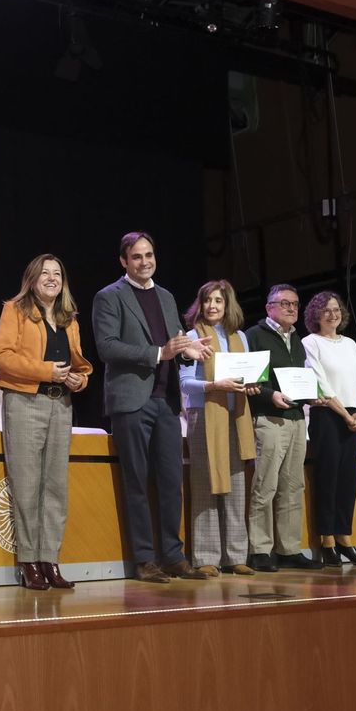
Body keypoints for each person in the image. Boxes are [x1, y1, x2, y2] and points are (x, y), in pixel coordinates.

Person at [91, 232, 211, 584]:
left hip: (167, 401)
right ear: (124, 261)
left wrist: (187, 351)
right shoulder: (109, 296)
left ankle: (173, 556)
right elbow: (107, 347)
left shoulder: (167, 296)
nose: (145, 262)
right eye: (137, 257)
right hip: (132, 401)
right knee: (138, 482)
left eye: (149, 255)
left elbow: (175, 341)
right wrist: (160, 353)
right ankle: (144, 559)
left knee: (172, 481)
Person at [0, 255, 93, 591]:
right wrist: (46, 371)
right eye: (45, 273)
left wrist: (80, 379)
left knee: (55, 487)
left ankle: (50, 559)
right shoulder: (16, 310)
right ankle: (29, 562)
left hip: (60, 405)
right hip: (25, 402)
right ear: (32, 279)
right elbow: (2, 356)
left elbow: (79, 363)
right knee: (27, 484)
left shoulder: (69, 317)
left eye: (57, 274)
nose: (52, 279)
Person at [179, 280, 259, 577]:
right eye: (207, 300)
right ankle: (206, 555)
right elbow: (185, 383)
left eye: (218, 301)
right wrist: (214, 385)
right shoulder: (192, 337)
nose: (212, 306)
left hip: (236, 416)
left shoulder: (240, 337)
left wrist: (251, 386)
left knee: (236, 486)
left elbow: (246, 376)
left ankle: (236, 555)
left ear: (228, 305)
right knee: (206, 484)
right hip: (204, 415)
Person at [245, 285, 322, 572]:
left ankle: (288, 548)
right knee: (265, 484)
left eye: (295, 304)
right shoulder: (254, 335)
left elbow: (300, 377)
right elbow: (250, 380)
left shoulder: (297, 339)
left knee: (293, 485)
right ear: (269, 307)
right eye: (285, 303)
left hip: (296, 418)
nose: (291, 308)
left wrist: (311, 395)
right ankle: (260, 549)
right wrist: (270, 396)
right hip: (268, 418)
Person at [301, 291, 356, 568]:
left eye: (336, 310)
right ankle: (327, 541)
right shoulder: (311, 342)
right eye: (326, 310)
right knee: (328, 478)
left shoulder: (350, 344)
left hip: (355, 416)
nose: (333, 314)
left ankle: (345, 538)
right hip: (328, 416)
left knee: (348, 479)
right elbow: (320, 382)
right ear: (316, 315)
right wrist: (345, 414)